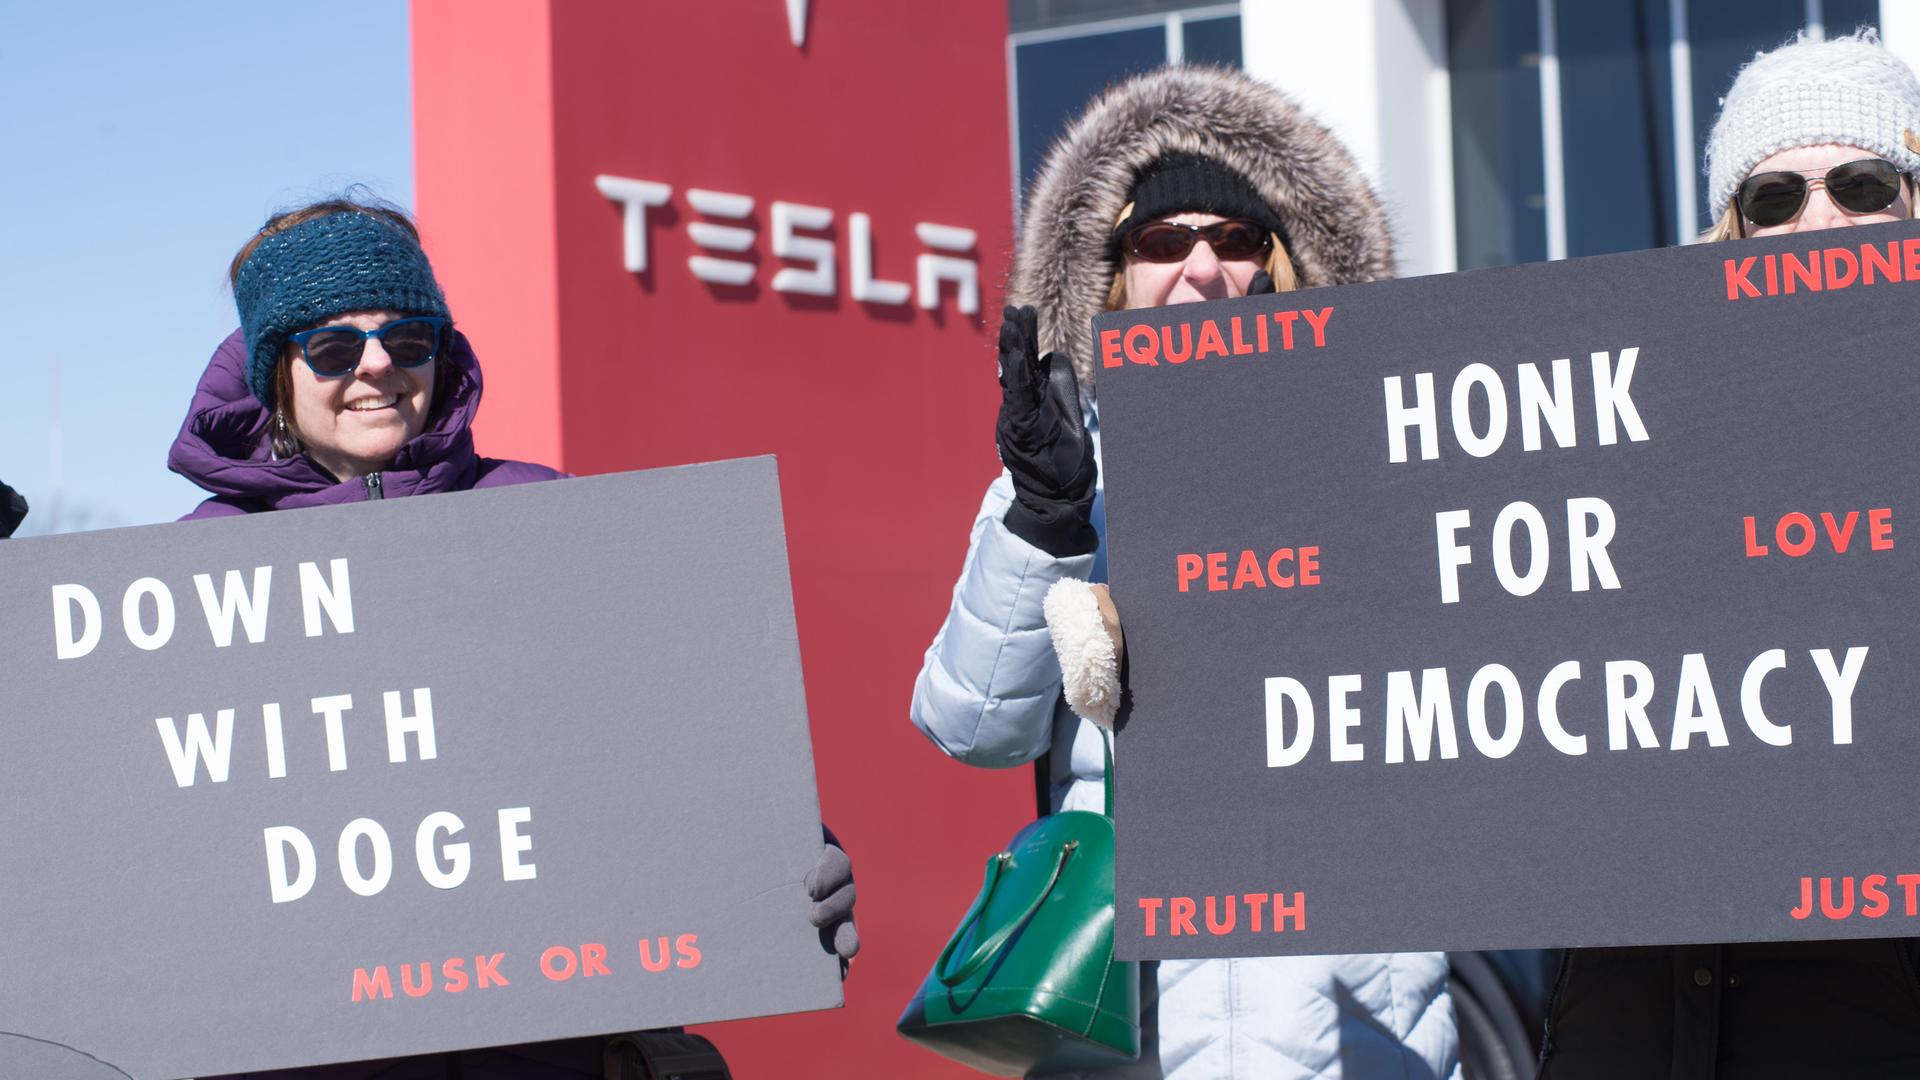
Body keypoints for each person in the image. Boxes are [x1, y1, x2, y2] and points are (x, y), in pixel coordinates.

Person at [171, 197, 859, 1079]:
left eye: (408, 339)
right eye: (334, 347)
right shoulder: (197, 577)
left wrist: (779, 855)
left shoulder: (549, 517)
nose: (377, 364)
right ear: (278, 373)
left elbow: (672, 750)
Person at [909, 66, 1460, 1079]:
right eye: (1164, 242)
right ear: (1115, 272)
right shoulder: (1064, 469)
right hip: (1124, 1017)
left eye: (1235, 239)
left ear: (1281, 263)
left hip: (1357, 1010)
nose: (1201, 271)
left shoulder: (1389, 451)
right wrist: (1046, 521)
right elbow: (971, 726)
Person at [1534, 29, 1920, 1080]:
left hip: (1863, 1013)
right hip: (1632, 1014)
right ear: (1731, 234)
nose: (1820, 221)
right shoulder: (1613, 444)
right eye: (1776, 199)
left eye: (1860, 181)